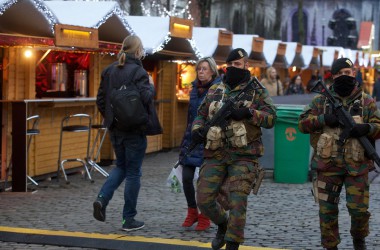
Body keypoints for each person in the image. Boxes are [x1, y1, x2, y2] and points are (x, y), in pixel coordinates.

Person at [192, 48, 276, 250]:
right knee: (203, 199)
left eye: (238, 64)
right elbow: (201, 115)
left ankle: (232, 244)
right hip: (216, 152)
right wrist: (197, 130)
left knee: (238, 202)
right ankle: (223, 224)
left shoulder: (257, 90)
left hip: (244, 155)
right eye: (230, 65)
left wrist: (248, 113)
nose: (233, 68)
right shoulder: (215, 90)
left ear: (246, 65)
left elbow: (272, 117)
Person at [298, 57, 380, 250]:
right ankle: (330, 246)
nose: (345, 76)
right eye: (340, 73)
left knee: (359, 211)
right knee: (327, 212)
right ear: (333, 76)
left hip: (357, 166)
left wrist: (366, 128)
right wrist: (323, 119)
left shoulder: (366, 101)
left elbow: (378, 126)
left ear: (354, 74)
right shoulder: (321, 100)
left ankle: (359, 241)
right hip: (327, 166)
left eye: (348, 73)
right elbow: (302, 124)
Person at [93, 35, 161, 232]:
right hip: (135, 130)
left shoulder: (109, 70)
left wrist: (114, 119)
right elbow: (147, 97)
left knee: (120, 166)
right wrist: (151, 83)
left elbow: (100, 101)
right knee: (133, 173)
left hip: (116, 130)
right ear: (138, 50)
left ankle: (102, 198)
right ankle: (128, 219)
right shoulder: (139, 72)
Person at [178, 57, 221, 231]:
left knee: (204, 182)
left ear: (212, 71)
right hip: (192, 139)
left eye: (204, 69)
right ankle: (192, 211)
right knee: (187, 178)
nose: (201, 72)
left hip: (209, 140)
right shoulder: (194, 89)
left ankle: (205, 216)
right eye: (199, 69)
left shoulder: (218, 89)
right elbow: (190, 118)